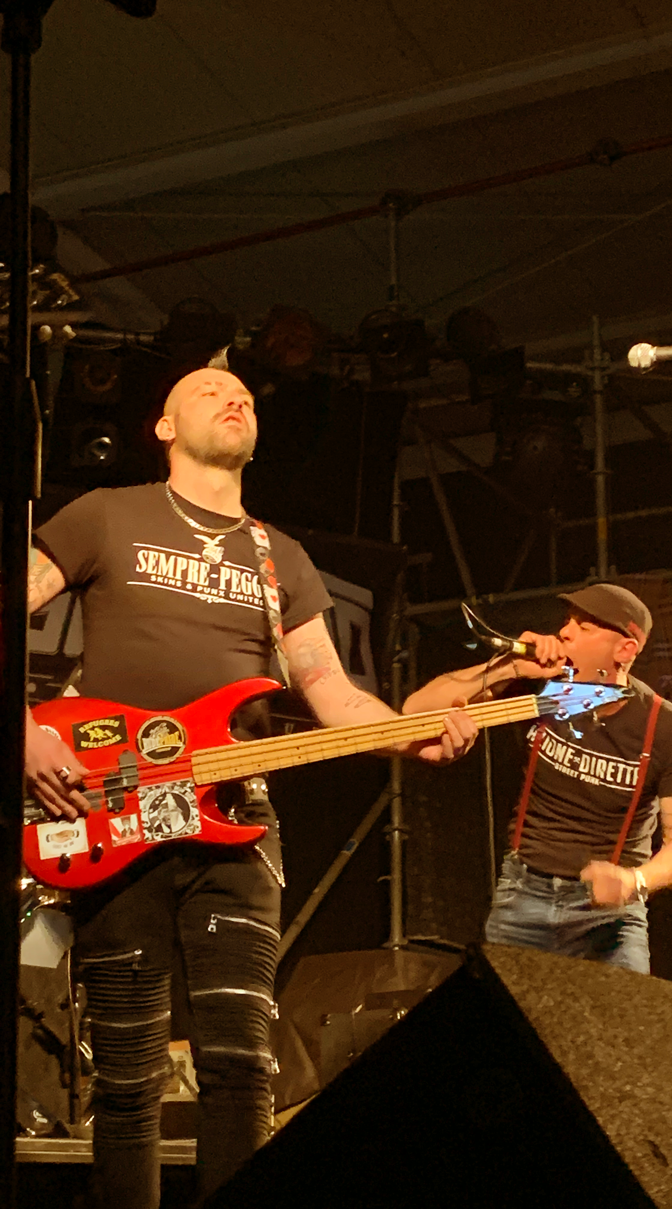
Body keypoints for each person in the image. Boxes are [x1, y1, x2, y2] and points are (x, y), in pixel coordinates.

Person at [24, 365, 477, 1209]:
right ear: (163, 426)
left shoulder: (280, 557)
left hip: (234, 813)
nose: (235, 398)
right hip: (114, 809)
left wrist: (407, 734)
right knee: (126, 1075)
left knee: (240, 1065)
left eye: (244, 396)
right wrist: (24, 730)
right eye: (208, 390)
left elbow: (332, 692)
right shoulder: (105, 514)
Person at [403, 583, 672, 974]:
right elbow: (414, 711)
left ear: (624, 650)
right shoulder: (542, 688)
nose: (565, 632)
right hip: (522, 896)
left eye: (585, 627)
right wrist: (510, 666)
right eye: (567, 622)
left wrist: (635, 882)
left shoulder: (666, 729)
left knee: (625, 1014)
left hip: (608, 917)